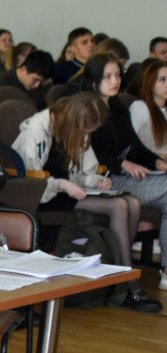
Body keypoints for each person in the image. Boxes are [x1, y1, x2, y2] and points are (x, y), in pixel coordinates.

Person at [12, 91, 161, 311]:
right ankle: (126, 285)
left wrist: (98, 181)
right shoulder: (37, 129)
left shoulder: (76, 127)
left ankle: (118, 277)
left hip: (69, 190)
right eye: (86, 131)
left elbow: (84, 172)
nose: (86, 135)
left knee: (133, 203)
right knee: (120, 205)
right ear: (75, 120)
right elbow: (28, 177)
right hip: (42, 194)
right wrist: (62, 184)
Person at [82, 53, 167, 294]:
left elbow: (136, 146)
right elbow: (88, 153)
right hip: (105, 179)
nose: (115, 81)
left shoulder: (118, 106)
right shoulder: (86, 108)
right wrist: (122, 164)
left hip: (126, 176)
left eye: (118, 75)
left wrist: (158, 162)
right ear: (94, 80)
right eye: (108, 76)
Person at [0, 49, 54, 113]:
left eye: (41, 82)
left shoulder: (37, 88)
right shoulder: (0, 83)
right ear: (24, 69)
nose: (37, 85)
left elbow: (41, 110)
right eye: (35, 80)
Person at [131, 60, 167, 158]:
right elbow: (130, 146)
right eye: (162, 80)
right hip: (151, 163)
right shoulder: (140, 107)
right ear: (150, 83)